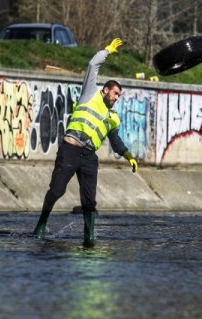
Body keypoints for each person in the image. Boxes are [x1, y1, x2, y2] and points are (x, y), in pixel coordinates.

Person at [32, 38, 138, 247]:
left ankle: (89, 238)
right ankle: (41, 225)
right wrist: (107, 51)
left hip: (89, 157)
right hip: (70, 149)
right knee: (56, 191)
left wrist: (129, 157)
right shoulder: (90, 93)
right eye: (115, 93)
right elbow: (92, 65)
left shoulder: (113, 117)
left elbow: (115, 141)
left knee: (89, 202)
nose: (117, 98)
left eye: (119, 96)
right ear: (106, 90)